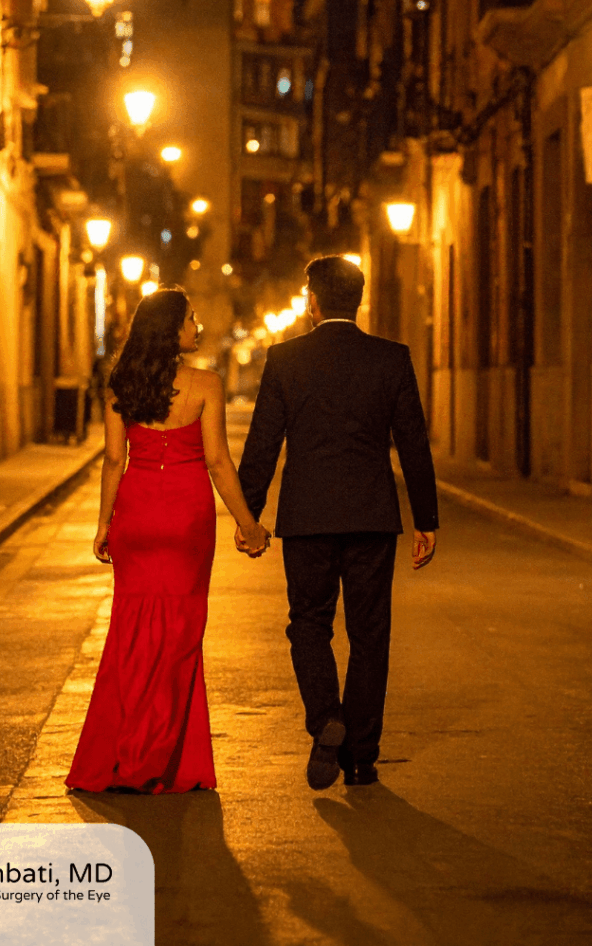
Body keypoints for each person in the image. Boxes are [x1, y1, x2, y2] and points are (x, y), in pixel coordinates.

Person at [236, 255, 438, 790]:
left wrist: (247, 514)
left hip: (306, 517)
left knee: (308, 623)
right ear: (359, 299)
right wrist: (427, 518)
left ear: (313, 300)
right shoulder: (391, 359)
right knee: (370, 635)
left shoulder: (285, 360)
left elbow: (263, 444)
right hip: (372, 515)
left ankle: (326, 718)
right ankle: (362, 757)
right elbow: (413, 443)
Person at [66, 288, 270, 794]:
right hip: (186, 515)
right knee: (181, 636)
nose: (197, 326)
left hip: (136, 510)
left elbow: (114, 460)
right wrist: (249, 526)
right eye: (190, 319)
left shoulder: (122, 384)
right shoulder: (206, 384)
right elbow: (219, 462)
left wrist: (104, 523)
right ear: (171, 330)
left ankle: (122, 752)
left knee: (130, 634)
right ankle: (159, 756)